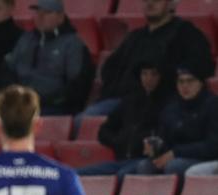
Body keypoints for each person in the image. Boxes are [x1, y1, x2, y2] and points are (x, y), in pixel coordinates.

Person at [83, 0, 215, 119]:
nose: (150, 3)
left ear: (170, 3)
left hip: (163, 103)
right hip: (123, 101)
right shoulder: (135, 37)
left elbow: (202, 66)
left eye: (156, 0)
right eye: (146, 0)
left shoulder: (187, 33)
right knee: (84, 120)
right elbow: (110, 68)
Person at [76, 60, 171, 180]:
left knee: (123, 175)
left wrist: (154, 144)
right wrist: (118, 141)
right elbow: (104, 130)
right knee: (76, 173)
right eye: (144, 74)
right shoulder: (129, 101)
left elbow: (168, 133)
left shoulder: (168, 104)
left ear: (161, 76)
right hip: (120, 160)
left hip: (145, 160)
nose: (148, 78)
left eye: (153, 74)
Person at [1, 0, 94, 115]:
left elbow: (77, 84)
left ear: (60, 17)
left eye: (47, 13)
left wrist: (50, 100)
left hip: (54, 107)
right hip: (21, 105)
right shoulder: (26, 39)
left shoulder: (73, 44)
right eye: (38, 13)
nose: (40, 17)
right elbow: (9, 69)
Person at [134, 63, 218, 178]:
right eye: (181, 82)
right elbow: (164, 139)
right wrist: (156, 147)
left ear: (201, 83)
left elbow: (213, 145)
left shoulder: (213, 105)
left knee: (174, 166)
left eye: (190, 81)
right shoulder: (171, 108)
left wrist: (177, 152)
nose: (185, 86)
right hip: (177, 156)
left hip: (206, 159)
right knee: (145, 166)